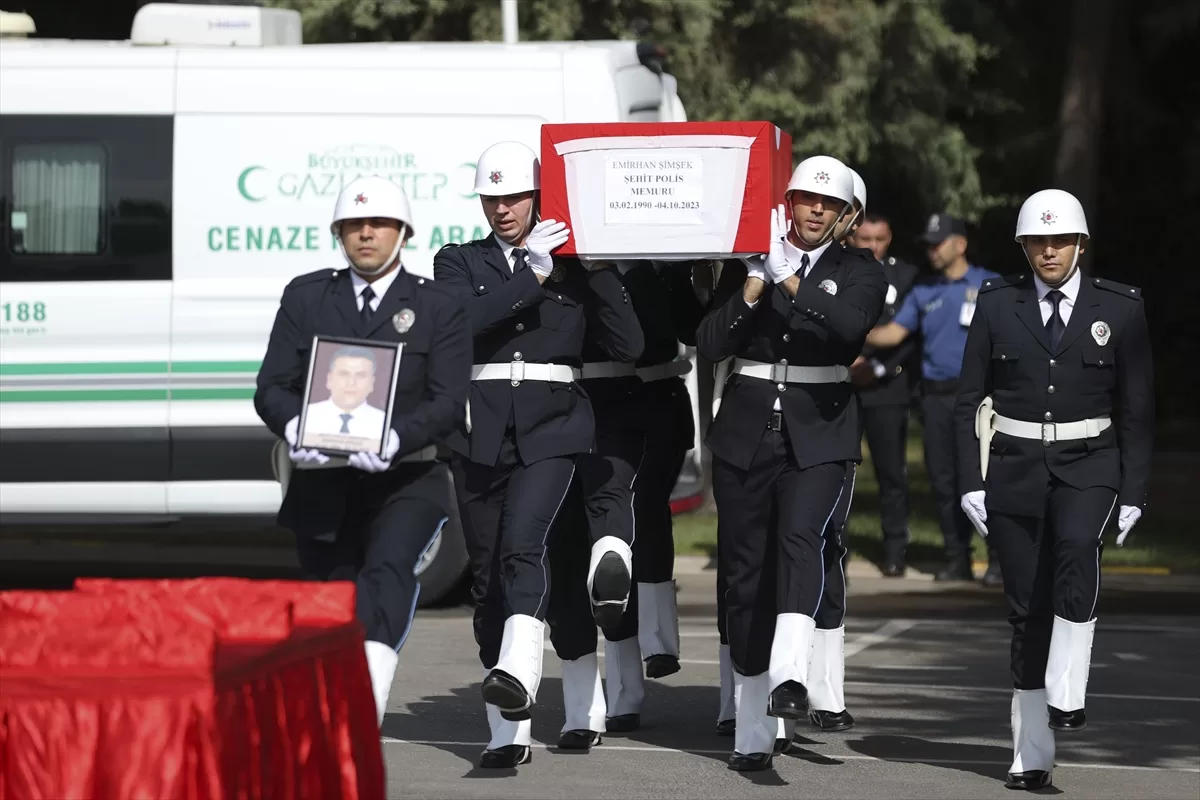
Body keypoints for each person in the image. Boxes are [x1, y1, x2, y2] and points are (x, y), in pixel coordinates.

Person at [432, 140, 644, 769]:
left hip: (554, 429)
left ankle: (538, 691)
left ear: (538, 196)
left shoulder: (573, 264)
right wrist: (532, 276)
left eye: (515, 196)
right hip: (481, 430)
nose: (503, 208)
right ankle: (507, 732)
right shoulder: (458, 260)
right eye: (491, 197)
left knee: (527, 545)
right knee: (490, 576)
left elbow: (628, 343)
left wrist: (597, 269)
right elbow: (458, 326)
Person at [254, 174, 471, 729]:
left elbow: (449, 402)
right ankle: (334, 696)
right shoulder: (308, 297)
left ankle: (367, 698)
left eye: (377, 224)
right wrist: (298, 424)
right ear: (339, 233)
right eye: (354, 225)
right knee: (333, 590)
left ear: (402, 233)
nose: (366, 234)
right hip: (323, 477)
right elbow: (271, 387)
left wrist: (399, 436)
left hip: (407, 477)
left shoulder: (438, 305)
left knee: (388, 569)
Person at [954, 189, 1152, 791]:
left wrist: (1135, 489)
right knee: (1025, 612)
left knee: (1074, 551)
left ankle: (1069, 693)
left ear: (1080, 245)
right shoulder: (996, 304)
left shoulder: (1119, 307)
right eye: (1037, 241)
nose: (1048, 250)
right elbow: (966, 401)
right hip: (1014, 466)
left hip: (1090, 463)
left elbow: (1137, 408)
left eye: (1059, 240)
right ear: (1023, 246)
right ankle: (1031, 752)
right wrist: (970, 481)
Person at [697, 154, 887, 771]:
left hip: (820, 430)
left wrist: (793, 284)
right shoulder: (753, 259)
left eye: (828, 205)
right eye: (806, 198)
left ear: (845, 215)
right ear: (789, 201)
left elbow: (849, 330)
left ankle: (790, 675)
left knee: (802, 542)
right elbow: (709, 343)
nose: (814, 210)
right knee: (744, 572)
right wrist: (752, 284)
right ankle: (753, 724)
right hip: (748, 429)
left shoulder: (861, 270)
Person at [586, 258, 706, 733]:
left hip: (659, 404)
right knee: (612, 540)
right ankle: (624, 690)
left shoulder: (662, 266)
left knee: (647, 513)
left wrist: (698, 281)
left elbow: (692, 330)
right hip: (601, 407)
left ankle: (658, 644)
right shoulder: (580, 267)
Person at [865, 212, 1003, 584]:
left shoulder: (989, 285)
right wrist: (846, 327)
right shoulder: (924, 290)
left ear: (960, 244)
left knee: (986, 478)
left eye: (937, 242)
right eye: (927, 243)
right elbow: (893, 335)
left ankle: (998, 560)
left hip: (978, 400)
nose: (931, 250)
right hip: (936, 401)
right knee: (945, 482)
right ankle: (957, 558)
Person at [848, 211, 920, 576]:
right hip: (841, 384)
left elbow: (911, 333)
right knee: (839, 470)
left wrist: (875, 368)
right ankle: (835, 552)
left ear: (889, 238)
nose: (873, 247)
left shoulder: (905, 277)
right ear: (851, 238)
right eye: (865, 239)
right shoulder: (836, 270)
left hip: (887, 386)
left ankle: (895, 551)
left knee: (892, 473)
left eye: (880, 239)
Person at [303, 346, 387, 440]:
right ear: (329, 380)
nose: (351, 383)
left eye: (360, 376)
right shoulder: (307, 415)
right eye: (344, 374)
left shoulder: (384, 421)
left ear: (371, 383)